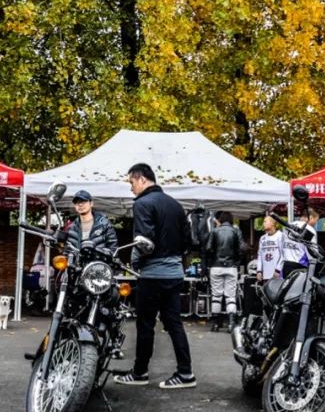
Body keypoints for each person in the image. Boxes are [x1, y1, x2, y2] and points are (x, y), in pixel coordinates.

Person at [114, 164, 197, 390]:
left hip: (152, 275)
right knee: (174, 324)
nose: (131, 188)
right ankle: (186, 373)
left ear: (141, 179)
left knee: (145, 325)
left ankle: (140, 372)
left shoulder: (142, 203)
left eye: (131, 182)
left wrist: (136, 262)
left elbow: (145, 242)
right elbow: (188, 243)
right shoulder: (176, 205)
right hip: (175, 274)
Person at [206, 211, 246, 332]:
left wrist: (212, 260)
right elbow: (242, 248)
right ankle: (231, 324)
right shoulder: (236, 231)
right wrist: (237, 261)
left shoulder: (214, 231)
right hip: (231, 267)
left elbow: (208, 248)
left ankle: (215, 324)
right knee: (230, 296)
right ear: (231, 220)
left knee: (216, 296)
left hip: (216, 266)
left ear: (220, 220)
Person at [64, 190, 118, 254]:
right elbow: (67, 251)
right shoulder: (71, 228)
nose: (80, 204)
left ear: (91, 203)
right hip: (78, 260)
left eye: (83, 201)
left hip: (99, 259)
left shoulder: (104, 224)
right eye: (77, 202)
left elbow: (113, 249)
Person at [281, 208, 319, 278]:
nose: (316, 223)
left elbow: (282, 246)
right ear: (311, 217)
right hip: (300, 266)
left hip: (286, 265)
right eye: (316, 220)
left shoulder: (287, 227)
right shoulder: (310, 229)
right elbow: (313, 252)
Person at [256, 216, 284, 282]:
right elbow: (260, 255)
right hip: (265, 275)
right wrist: (259, 270)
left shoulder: (281, 236)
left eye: (265, 222)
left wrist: (278, 270)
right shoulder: (262, 238)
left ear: (272, 223)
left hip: (277, 274)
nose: (263, 224)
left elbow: (283, 255)